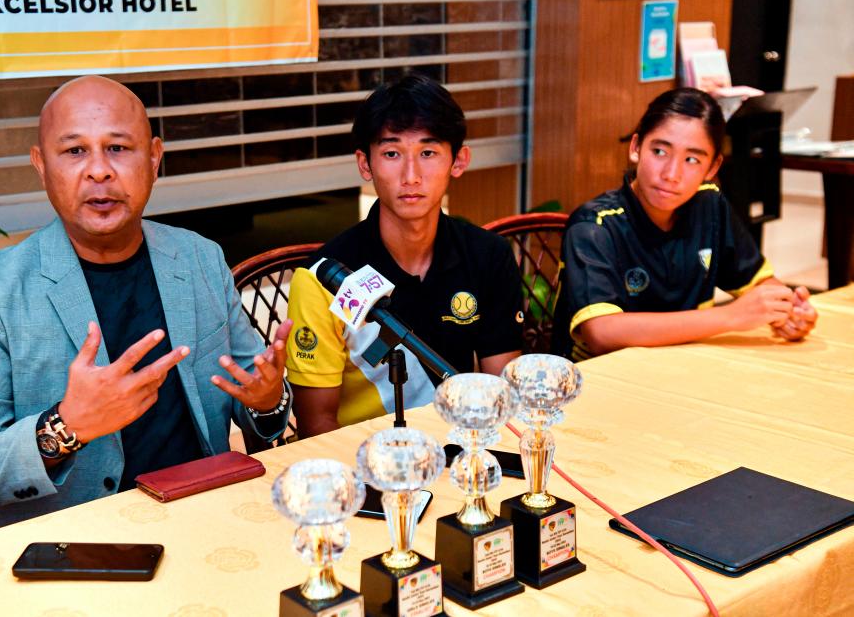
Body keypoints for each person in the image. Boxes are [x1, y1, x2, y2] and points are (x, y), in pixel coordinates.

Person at [0, 76, 292, 531]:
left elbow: (256, 399)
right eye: (75, 151)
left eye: (118, 148)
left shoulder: (199, 257)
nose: (99, 170)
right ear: (41, 165)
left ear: (155, 158)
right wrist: (64, 426)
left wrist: (267, 399)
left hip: (204, 520)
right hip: (72, 551)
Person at [285, 75, 524, 437]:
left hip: (457, 448)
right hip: (366, 465)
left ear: (458, 161)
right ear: (365, 164)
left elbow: (501, 397)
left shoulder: (488, 255)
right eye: (392, 153)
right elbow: (317, 429)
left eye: (428, 153)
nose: (411, 176)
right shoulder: (324, 278)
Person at [551, 87, 817, 361]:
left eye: (692, 159)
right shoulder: (594, 225)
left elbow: (761, 286)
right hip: (600, 380)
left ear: (712, 168)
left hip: (684, 365)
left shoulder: (710, 206)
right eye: (659, 151)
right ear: (636, 148)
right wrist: (730, 316)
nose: (671, 174)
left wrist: (789, 311)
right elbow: (602, 333)